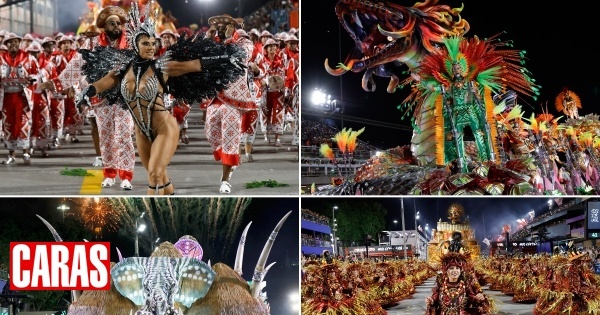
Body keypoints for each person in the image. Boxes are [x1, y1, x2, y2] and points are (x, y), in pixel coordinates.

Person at [77, 3, 245, 195]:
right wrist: (87, 92)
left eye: (152, 43)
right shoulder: (123, 69)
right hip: (141, 132)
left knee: (154, 176)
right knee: (161, 179)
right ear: (135, 45)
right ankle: (169, 196)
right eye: (145, 43)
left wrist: (224, 58)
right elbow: (104, 82)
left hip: (164, 128)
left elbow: (195, 65)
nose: (150, 47)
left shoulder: (162, 66)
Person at [203, 14, 255, 194]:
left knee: (230, 138)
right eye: (220, 27)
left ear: (233, 27)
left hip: (234, 98)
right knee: (210, 132)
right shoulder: (215, 43)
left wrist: (233, 37)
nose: (222, 29)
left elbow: (244, 56)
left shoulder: (244, 42)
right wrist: (207, 40)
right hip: (215, 97)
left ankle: (225, 179)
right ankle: (231, 161)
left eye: (226, 26)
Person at [0, 33, 40, 165]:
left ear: (19, 43)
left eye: (16, 42)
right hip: (5, 97)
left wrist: (31, 79)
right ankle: (11, 155)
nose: (13, 45)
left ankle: (26, 153)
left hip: (22, 97)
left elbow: (38, 74)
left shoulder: (28, 58)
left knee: (23, 124)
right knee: (8, 125)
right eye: (10, 43)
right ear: (6, 45)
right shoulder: (0, 58)